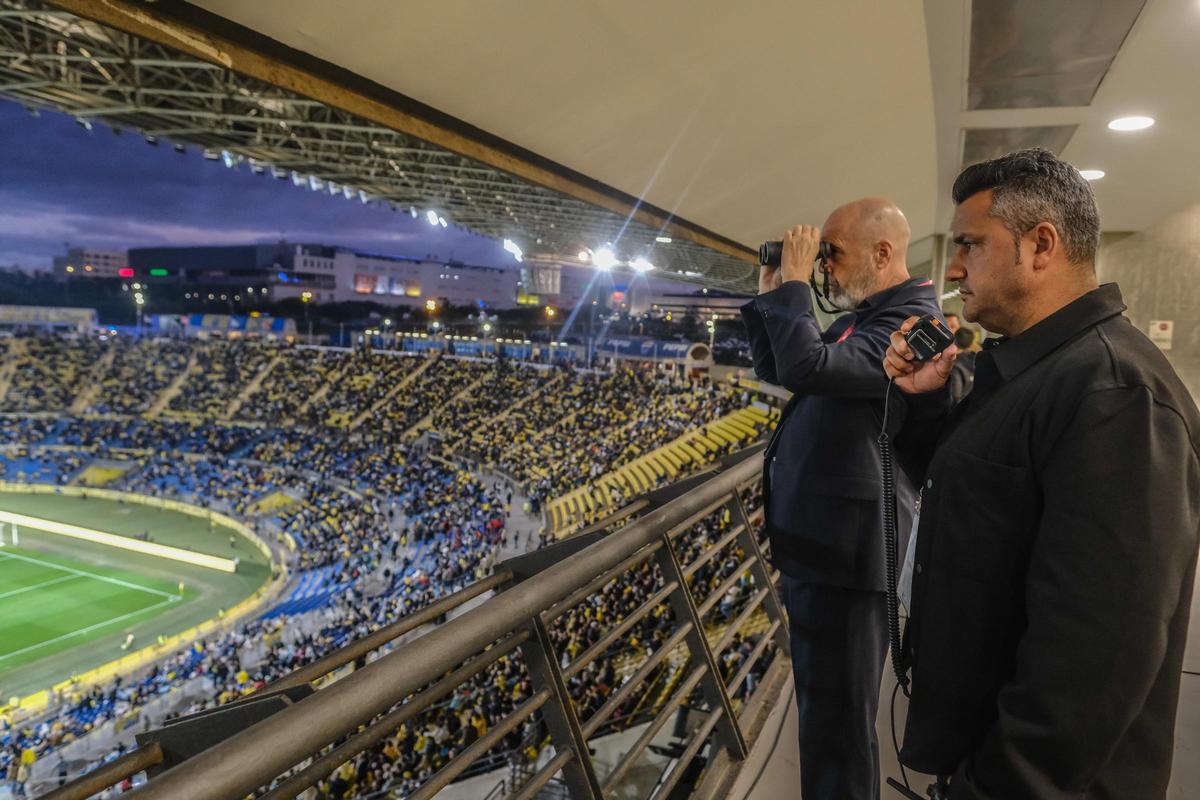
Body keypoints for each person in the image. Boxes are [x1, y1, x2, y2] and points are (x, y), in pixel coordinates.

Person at [882, 148, 1200, 797]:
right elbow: (972, 493)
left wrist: (995, 785)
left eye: (971, 244)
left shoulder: (1114, 393)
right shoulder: (1039, 370)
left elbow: (1098, 654)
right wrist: (922, 405)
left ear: (1041, 245)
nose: (953, 267)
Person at [740, 197, 942, 798]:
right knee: (825, 719)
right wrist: (773, 290)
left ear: (884, 253)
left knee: (839, 728)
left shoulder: (907, 323)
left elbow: (807, 367)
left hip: (849, 555)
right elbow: (778, 368)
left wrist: (798, 287)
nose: (824, 267)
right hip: (829, 547)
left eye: (834, 254)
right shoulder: (870, 315)